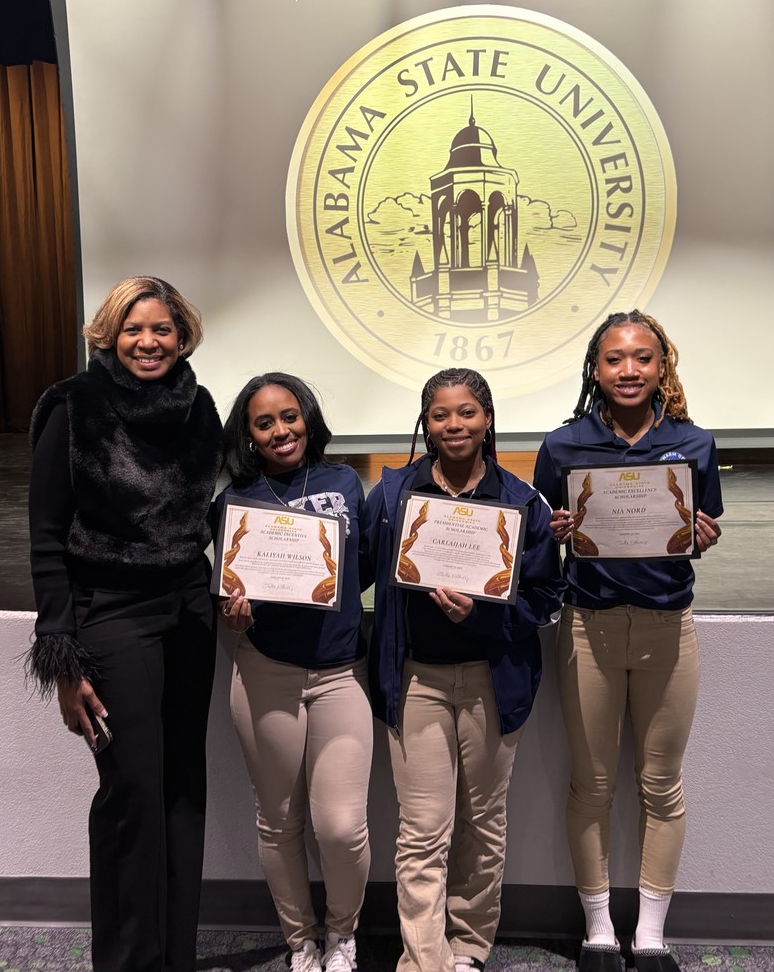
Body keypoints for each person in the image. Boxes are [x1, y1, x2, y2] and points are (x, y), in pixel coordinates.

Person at [25, 276, 224, 972]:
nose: (148, 342)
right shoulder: (74, 407)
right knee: (131, 795)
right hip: (112, 615)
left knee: (181, 790)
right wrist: (65, 661)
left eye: (162, 329)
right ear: (109, 334)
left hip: (190, 613)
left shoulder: (199, 408)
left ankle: (174, 957)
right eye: (134, 329)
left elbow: (206, 514)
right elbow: (46, 538)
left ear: (182, 335)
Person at [532, 311, 723, 972]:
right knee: (591, 784)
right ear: (595, 369)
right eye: (615, 359)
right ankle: (597, 933)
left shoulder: (695, 444)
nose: (629, 370)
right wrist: (554, 531)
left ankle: (650, 934)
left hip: (670, 629)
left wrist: (701, 536)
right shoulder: (562, 448)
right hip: (589, 626)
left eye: (643, 358)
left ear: (661, 367)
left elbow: (702, 526)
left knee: (662, 786)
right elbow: (539, 538)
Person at [363, 367, 565, 972]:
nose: (454, 425)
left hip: (491, 682)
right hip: (416, 679)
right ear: (425, 424)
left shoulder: (520, 501)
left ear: (488, 419)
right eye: (440, 415)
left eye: (467, 413)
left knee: (482, 826)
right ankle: (425, 958)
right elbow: (358, 571)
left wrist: (481, 616)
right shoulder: (394, 494)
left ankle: (471, 948)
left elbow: (544, 598)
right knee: (423, 830)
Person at [216, 373, 371, 972]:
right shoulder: (231, 504)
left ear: (308, 419)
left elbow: (358, 572)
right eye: (264, 422)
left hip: (338, 674)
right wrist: (234, 613)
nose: (281, 431)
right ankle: (301, 941)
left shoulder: (346, 484)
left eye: (290, 417)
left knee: (339, 827)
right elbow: (228, 595)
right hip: (265, 672)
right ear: (249, 436)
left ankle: (343, 935)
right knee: (278, 820)